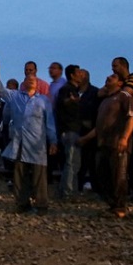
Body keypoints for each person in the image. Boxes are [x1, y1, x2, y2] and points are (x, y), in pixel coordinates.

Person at [0, 55, 57, 213]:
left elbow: (49, 123)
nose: (30, 79)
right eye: (27, 77)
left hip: (37, 144)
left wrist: (53, 141)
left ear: (37, 82)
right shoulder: (15, 97)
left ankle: (41, 205)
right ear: (23, 81)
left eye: (33, 78)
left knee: (39, 176)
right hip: (20, 143)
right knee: (19, 175)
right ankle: (22, 203)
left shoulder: (43, 101)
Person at [78, 74, 133, 218]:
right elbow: (100, 126)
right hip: (103, 144)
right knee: (101, 175)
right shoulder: (105, 101)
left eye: (113, 77)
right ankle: (112, 205)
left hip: (117, 144)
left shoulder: (124, 96)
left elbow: (131, 117)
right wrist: (85, 138)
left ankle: (121, 207)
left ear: (120, 82)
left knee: (118, 176)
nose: (108, 77)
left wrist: (124, 137)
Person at [111, 57, 133, 201]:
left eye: (115, 66)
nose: (113, 69)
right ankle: (124, 189)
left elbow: (124, 95)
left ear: (124, 66)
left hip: (131, 121)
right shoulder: (119, 83)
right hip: (118, 123)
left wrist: (113, 89)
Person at [55, 65, 85, 198]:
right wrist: (71, 101)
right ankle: (67, 193)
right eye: (79, 72)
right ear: (72, 75)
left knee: (74, 163)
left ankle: (67, 191)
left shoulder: (73, 90)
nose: (81, 75)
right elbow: (62, 104)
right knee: (72, 162)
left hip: (72, 130)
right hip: (69, 130)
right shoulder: (67, 90)